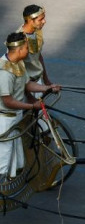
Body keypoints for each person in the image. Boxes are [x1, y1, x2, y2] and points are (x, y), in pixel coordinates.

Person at [0, 33, 61, 179]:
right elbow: (8, 101)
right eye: (26, 48)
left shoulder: (18, 63)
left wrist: (47, 88)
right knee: (4, 160)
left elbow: (27, 84)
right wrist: (32, 106)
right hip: (6, 121)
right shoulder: (5, 73)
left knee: (15, 160)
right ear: (19, 49)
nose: (29, 51)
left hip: (16, 118)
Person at [17, 4, 53, 86]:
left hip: (37, 80)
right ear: (30, 21)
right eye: (41, 19)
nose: (44, 21)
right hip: (25, 85)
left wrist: (46, 80)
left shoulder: (36, 32)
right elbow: (18, 72)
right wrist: (30, 97)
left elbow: (38, 55)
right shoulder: (19, 41)